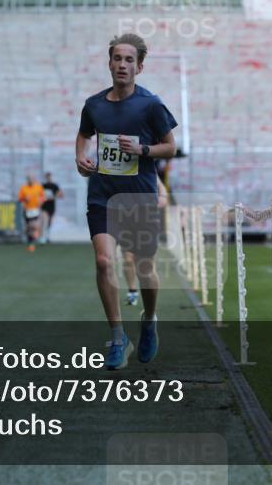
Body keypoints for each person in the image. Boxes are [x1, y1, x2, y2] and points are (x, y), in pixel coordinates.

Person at [76, 33, 177, 369]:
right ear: (109, 63)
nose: (122, 65)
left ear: (140, 66)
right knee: (104, 262)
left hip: (139, 197)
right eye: (117, 58)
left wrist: (143, 150)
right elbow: (84, 135)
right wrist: (81, 159)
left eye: (129, 60)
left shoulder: (151, 105)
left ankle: (149, 321)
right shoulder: (94, 105)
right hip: (103, 195)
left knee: (145, 267)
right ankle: (118, 337)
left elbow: (170, 146)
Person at [121, 180, 168, 307]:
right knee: (128, 258)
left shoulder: (147, 167)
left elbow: (160, 186)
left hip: (146, 218)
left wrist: (163, 197)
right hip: (125, 216)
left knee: (145, 265)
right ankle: (132, 292)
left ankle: (150, 312)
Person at [17, 174, 45, 252]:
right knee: (29, 227)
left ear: (34, 179)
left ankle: (35, 239)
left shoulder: (38, 187)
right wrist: (25, 199)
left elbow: (43, 197)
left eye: (32, 179)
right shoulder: (24, 188)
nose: (30, 180)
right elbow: (20, 199)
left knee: (34, 226)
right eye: (29, 179)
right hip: (27, 210)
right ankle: (31, 243)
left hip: (35, 210)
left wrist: (40, 202)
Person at [39, 172, 63, 244]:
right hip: (44, 206)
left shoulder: (54, 186)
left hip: (51, 206)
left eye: (49, 176)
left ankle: (47, 237)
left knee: (49, 222)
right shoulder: (43, 186)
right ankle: (43, 237)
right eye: (47, 177)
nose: (48, 178)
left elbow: (61, 195)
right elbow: (39, 195)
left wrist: (53, 197)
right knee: (44, 221)